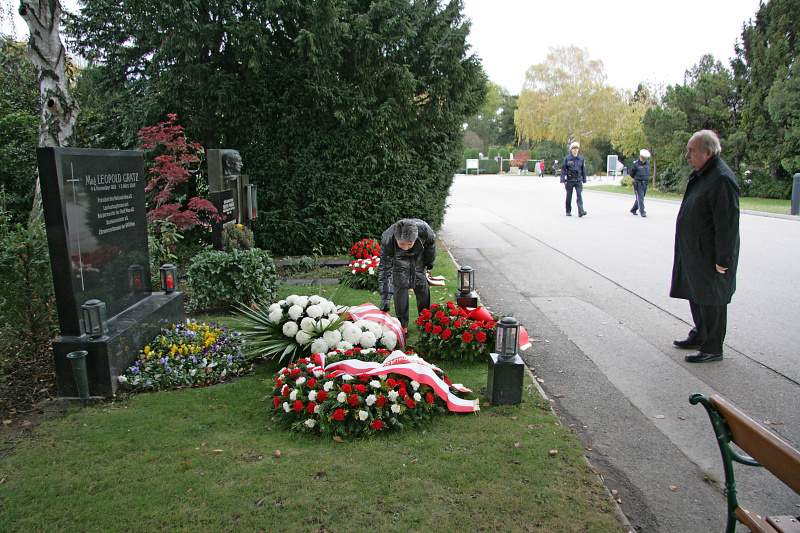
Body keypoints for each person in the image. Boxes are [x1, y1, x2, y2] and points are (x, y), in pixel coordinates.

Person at [670, 130, 740, 363]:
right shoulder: (704, 174)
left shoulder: (720, 178)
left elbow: (726, 224)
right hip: (697, 251)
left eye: (692, 151)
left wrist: (724, 259)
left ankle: (712, 347)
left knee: (712, 299)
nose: (687, 155)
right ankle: (701, 334)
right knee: (698, 294)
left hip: (710, 254)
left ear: (708, 152)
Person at [378, 218, 437, 333]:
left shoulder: (425, 231)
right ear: (396, 239)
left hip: (418, 254)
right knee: (400, 285)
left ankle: (425, 321)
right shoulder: (388, 239)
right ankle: (402, 325)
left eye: (409, 244)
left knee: (421, 283)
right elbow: (385, 268)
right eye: (402, 244)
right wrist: (385, 296)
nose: (405, 247)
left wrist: (430, 261)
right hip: (398, 258)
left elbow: (431, 246)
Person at [560, 142, 587, 217]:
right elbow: (563, 169)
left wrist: (584, 179)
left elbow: (583, 169)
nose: (575, 150)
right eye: (574, 148)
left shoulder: (581, 158)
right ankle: (568, 210)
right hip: (570, 180)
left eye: (576, 148)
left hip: (578, 180)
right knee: (569, 196)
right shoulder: (567, 158)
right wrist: (562, 179)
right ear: (571, 150)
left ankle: (581, 211)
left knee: (579, 195)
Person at [629, 149, 652, 217]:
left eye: (645, 159)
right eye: (643, 158)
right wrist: (637, 178)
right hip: (638, 183)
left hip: (645, 183)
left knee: (640, 197)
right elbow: (631, 173)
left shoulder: (647, 163)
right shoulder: (635, 164)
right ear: (640, 156)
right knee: (641, 198)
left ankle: (633, 209)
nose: (644, 160)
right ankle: (642, 212)